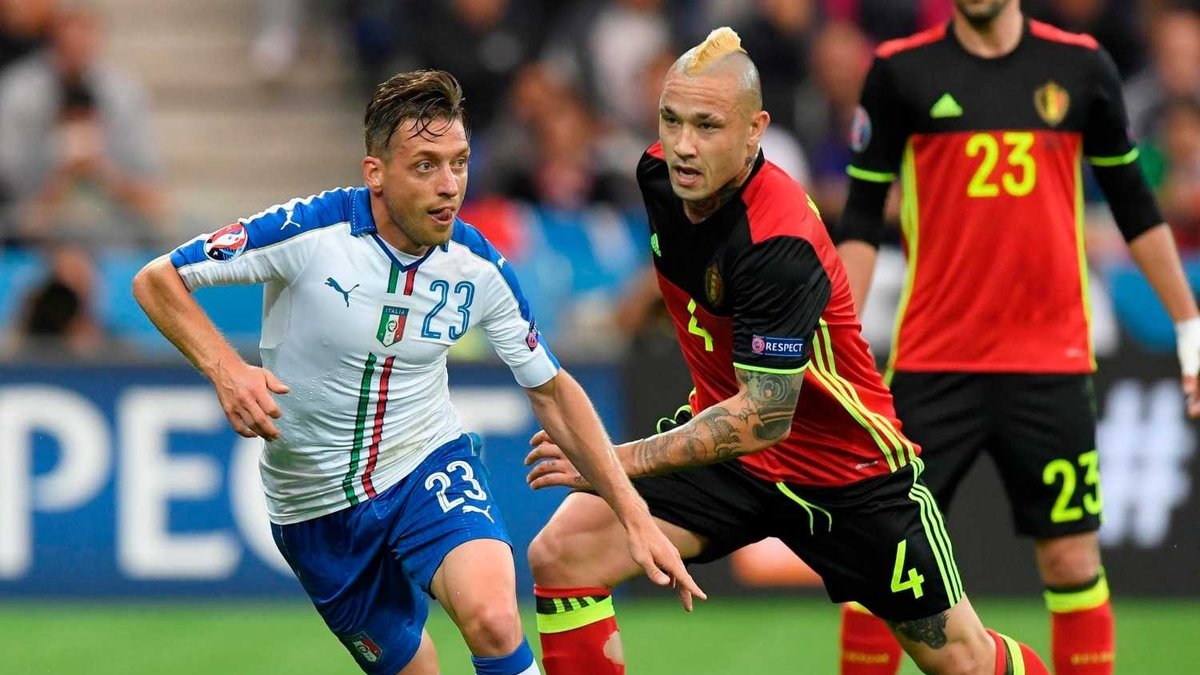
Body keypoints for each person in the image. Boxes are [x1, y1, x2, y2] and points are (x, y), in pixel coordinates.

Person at [131, 69, 701, 675]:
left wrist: (633, 516)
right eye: (425, 166)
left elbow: (552, 390)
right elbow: (157, 279)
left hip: (425, 462)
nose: (449, 185)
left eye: (459, 163)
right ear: (375, 173)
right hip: (313, 506)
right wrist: (227, 371)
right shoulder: (309, 232)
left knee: (494, 619)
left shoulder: (478, 267)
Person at [523, 28, 1051, 675]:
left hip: (844, 471)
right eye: (671, 119)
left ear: (756, 131)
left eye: (708, 125)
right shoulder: (659, 175)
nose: (684, 144)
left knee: (963, 660)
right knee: (563, 553)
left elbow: (765, 415)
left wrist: (611, 459)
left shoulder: (779, 242)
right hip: (731, 460)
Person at [834, 2, 1200, 674]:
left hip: (1050, 364)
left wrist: (1190, 323)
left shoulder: (1081, 67)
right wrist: (837, 348)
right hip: (931, 360)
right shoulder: (899, 72)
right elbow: (860, 221)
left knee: (1071, 559)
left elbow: (1134, 205)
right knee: (880, 554)